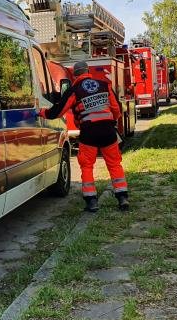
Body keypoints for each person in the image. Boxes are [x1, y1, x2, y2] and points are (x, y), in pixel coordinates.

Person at [38, 61, 129, 213]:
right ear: (88, 72)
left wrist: (41, 112)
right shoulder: (104, 85)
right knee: (114, 164)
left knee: (87, 166)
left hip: (89, 133)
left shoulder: (74, 90)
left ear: (75, 75)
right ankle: (122, 198)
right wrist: (108, 120)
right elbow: (116, 110)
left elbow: (58, 111)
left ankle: (92, 201)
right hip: (108, 131)